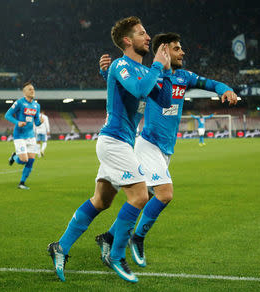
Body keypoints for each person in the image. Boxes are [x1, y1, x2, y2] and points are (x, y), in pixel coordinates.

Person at [96, 33, 237, 270]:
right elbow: (126, 88)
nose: (183, 52)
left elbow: (209, 83)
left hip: (165, 149)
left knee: (147, 197)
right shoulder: (150, 75)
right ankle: (136, 238)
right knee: (165, 193)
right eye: (177, 48)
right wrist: (105, 74)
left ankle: (109, 237)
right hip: (148, 143)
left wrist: (225, 89)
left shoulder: (183, 76)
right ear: (164, 50)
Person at [47, 16, 172, 284]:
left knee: (101, 201)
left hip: (122, 143)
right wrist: (157, 66)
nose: (148, 37)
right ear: (127, 41)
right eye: (141, 33)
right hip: (113, 141)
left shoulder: (141, 71)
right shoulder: (121, 65)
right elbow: (139, 90)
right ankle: (115, 255)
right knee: (140, 196)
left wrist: (166, 70)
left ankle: (60, 247)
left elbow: (163, 100)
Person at [5, 81, 43, 190]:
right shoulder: (19, 103)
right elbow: (7, 115)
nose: (32, 91)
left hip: (31, 136)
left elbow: (36, 122)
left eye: (33, 89)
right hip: (19, 136)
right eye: (30, 89)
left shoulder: (37, 105)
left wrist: (40, 121)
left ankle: (22, 182)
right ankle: (14, 156)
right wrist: (17, 122)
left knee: (31, 160)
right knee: (23, 160)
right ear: (24, 92)